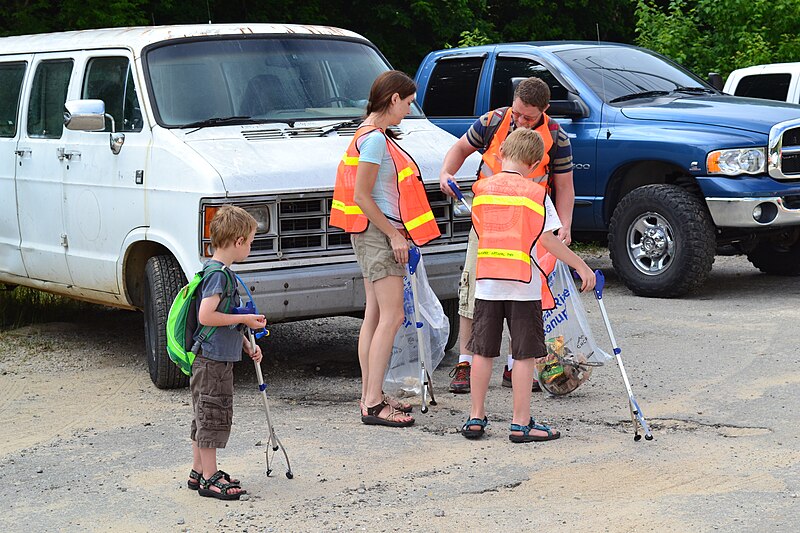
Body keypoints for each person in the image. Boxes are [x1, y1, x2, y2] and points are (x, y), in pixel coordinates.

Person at [459, 128, 595, 442]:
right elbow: (547, 239)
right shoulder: (535, 193)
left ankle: (475, 417)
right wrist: (581, 265)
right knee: (522, 355)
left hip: (488, 283)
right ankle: (521, 423)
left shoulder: (482, 189)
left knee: (480, 351)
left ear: (502, 152)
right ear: (535, 165)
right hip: (523, 285)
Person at [440, 77, 575, 393]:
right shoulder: (493, 121)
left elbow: (565, 186)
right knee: (473, 288)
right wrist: (446, 172)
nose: (521, 121)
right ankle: (466, 362)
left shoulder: (557, 137)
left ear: (544, 110)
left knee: (525, 296)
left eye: (529, 117)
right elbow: (460, 148)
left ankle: (515, 368)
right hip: (486, 226)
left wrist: (563, 224)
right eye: (518, 113)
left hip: (528, 230)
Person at [330, 70, 440, 427]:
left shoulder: (367, 135)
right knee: (390, 317)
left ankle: (370, 394)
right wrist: (394, 234)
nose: (409, 110)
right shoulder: (375, 140)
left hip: (367, 234)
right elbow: (363, 196)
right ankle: (373, 403)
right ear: (393, 99)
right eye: (408, 103)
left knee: (375, 316)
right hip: (378, 235)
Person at [187, 205, 267, 500]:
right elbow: (207, 316)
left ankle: (198, 470)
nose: (250, 248)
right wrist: (244, 320)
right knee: (211, 417)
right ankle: (210, 478)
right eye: (250, 242)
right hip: (212, 362)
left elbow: (220, 321)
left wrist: (247, 345)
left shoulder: (214, 271)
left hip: (211, 358)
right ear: (238, 242)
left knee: (203, 414)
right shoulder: (219, 276)